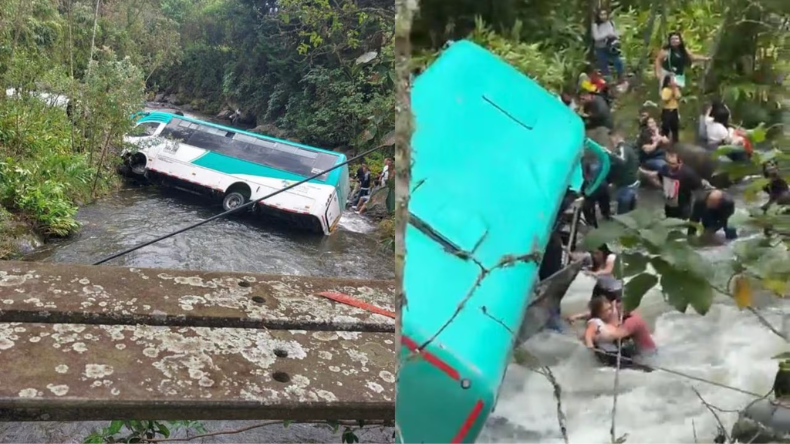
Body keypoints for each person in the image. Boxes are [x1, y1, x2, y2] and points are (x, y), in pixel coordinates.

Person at [643, 150, 704, 220]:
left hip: (683, 206)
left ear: (680, 162)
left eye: (672, 163)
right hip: (669, 203)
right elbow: (658, 177)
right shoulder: (665, 168)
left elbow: (699, 188)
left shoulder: (688, 174)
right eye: (668, 163)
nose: (670, 165)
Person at [607, 127, 640, 214]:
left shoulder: (623, 148)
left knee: (623, 214)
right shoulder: (629, 148)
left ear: (617, 137)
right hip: (631, 184)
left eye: (612, 138)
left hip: (627, 187)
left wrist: (609, 154)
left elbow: (622, 161)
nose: (611, 141)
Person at [591, 9, 625, 83]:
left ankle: (620, 77)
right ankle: (608, 82)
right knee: (603, 65)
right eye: (601, 15)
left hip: (611, 46)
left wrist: (616, 35)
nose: (603, 16)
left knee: (618, 62)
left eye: (605, 14)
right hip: (600, 47)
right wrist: (606, 35)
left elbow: (615, 32)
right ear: (598, 16)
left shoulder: (611, 23)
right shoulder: (595, 25)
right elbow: (596, 37)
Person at [660, 75, 682, 143]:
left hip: (674, 110)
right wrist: (671, 91)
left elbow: (678, 96)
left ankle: (675, 142)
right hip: (667, 110)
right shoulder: (665, 90)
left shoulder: (675, 88)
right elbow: (665, 99)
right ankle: (664, 141)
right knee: (666, 127)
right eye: (671, 81)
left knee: (675, 127)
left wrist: (674, 89)